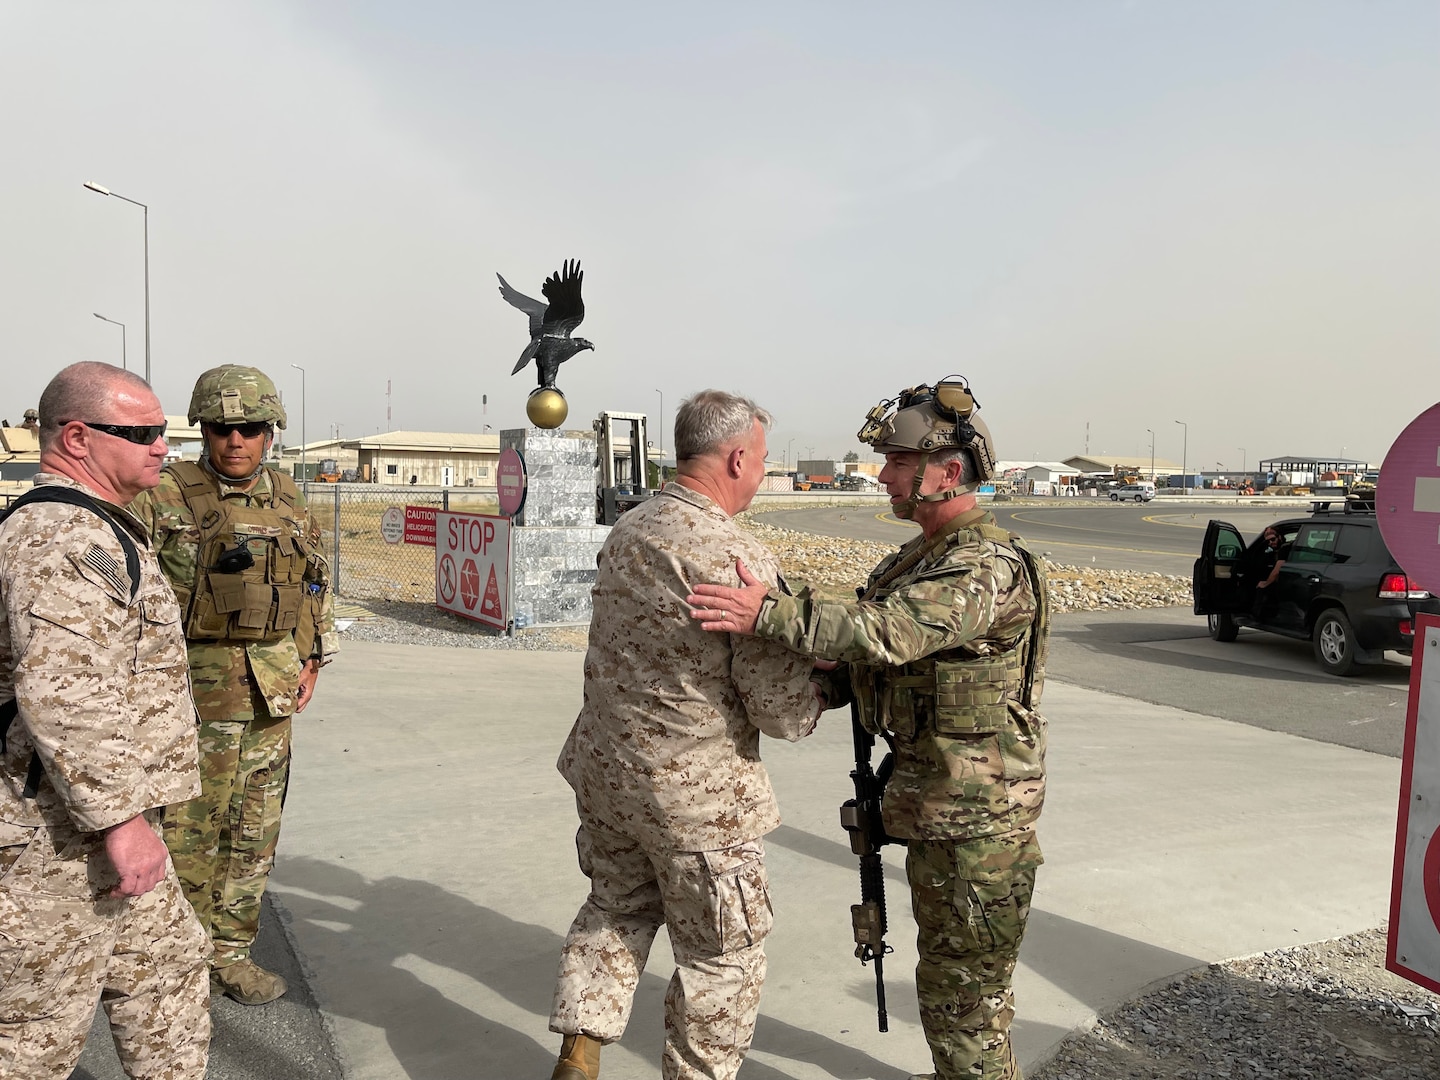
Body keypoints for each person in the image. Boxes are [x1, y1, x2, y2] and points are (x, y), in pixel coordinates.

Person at [688, 379, 1050, 1080]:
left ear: (948, 473)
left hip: (979, 827)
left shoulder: (984, 566)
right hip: (940, 811)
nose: (882, 475)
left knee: (965, 1001)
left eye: (898, 463)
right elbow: (873, 658)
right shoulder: (916, 559)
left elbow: (890, 632)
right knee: (948, 988)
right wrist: (815, 677)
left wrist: (769, 612)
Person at [547, 390, 826, 1080]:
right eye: (761, 461)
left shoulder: (630, 530)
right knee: (721, 956)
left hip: (609, 777)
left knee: (615, 909)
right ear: (737, 458)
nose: (761, 475)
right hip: (698, 803)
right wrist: (823, 678)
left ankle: (579, 1056)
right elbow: (781, 712)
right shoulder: (737, 560)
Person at [0, 362, 210, 1078]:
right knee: (36, 1034)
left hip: (98, 826)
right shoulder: (62, 538)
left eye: (164, 432)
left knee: (170, 981)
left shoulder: (99, 528)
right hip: (50, 842)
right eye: (144, 432)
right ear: (79, 438)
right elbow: (65, 689)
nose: (162, 446)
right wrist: (123, 823)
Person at [130, 364, 335, 1006]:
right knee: (189, 831)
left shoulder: (288, 495)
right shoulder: (161, 496)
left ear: (270, 433)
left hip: (271, 693)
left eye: (250, 428)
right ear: (204, 431)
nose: (236, 441)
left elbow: (313, 580)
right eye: (222, 428)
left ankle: (231, 952)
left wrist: (313, 655)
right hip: (192, 696)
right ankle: (179, 957)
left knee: (254, 830)